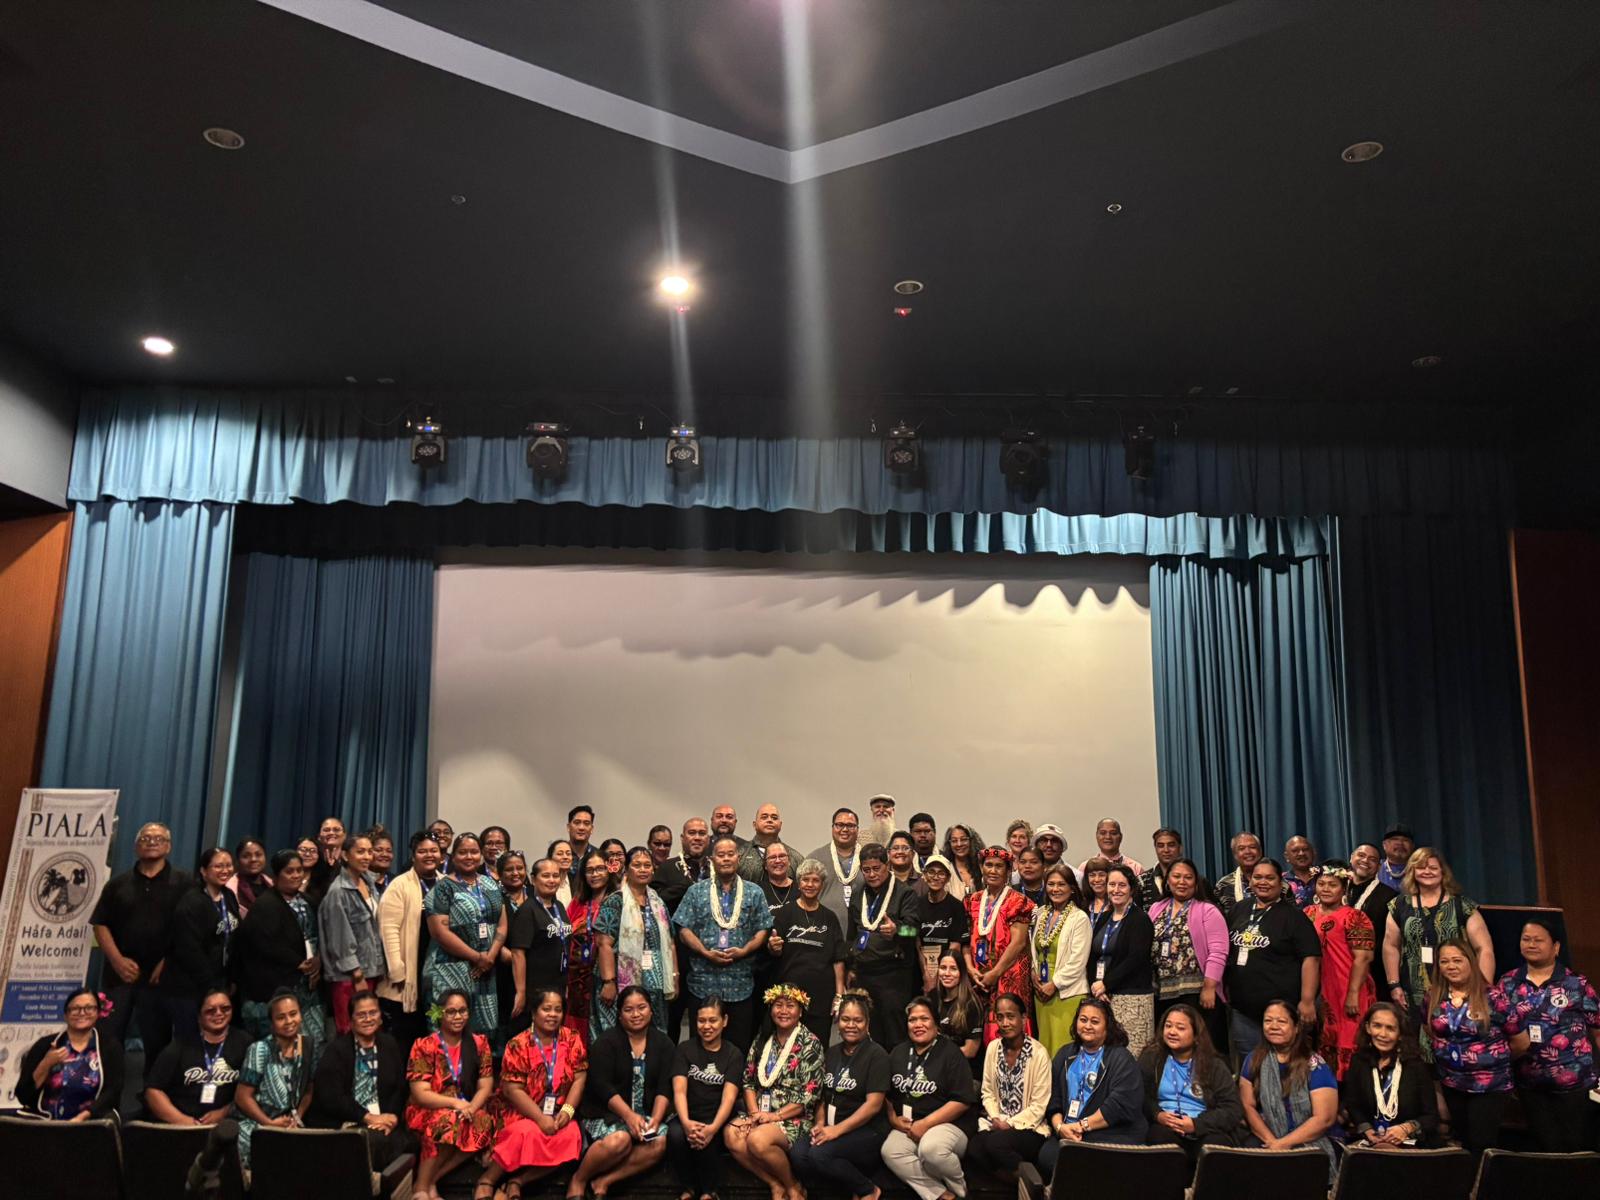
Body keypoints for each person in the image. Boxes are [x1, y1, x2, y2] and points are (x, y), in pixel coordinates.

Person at [90, 821, 190, 1072]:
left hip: (161, 978)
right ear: (136, 846)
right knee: (109, 1040)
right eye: (145, 838)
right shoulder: (117, 884)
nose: (151, 842)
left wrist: (168, 961)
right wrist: (117, 960)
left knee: (158, 1043)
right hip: (119, 976)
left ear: (168, 846)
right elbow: (100, 924)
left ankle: (151, 1103)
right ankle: (108, 1100)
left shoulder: (184, 883)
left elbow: (191, 928)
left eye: (158, 839)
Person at [1498, 917, 1600, 1152]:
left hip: (1575, 1084)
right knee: (1545, 1148)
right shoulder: (1508, 982)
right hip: (1530, 1085)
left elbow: (1597, 1028)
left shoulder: (1576, 983)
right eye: (1526, 939)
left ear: (1555, 947)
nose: (1531, 944)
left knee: (1577, 1147)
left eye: (1538, 940)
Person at [479, 988, 588, 1200]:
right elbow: (512, 1090)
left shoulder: (572, 1038)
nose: (553, 1014)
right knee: (525, 1132)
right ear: (533, 1013)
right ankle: (487, 1180)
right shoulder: (518, 1044)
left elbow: (580, 1078)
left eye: (558, 1010)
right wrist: (539, 1118)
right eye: (546, 1009)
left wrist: (567, 1111)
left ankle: (518, 1181)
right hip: (522, 1111)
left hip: (558, 1113)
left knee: (571, 1136)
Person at [567, 986, 673, 1200]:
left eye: (642, 1008)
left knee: (659, 1142)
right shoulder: (606, 1043)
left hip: (646, 1115)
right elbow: (602, 1087)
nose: (636, 1014)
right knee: (620, 1141)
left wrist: (656, 1120)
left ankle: (604, 1181)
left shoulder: (664, 1043)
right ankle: (579, 1179)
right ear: (620, 1014)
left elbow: (665, 1086)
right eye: (629, 1009)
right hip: (609, 1114)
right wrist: (629, 1116)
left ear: (651, 1011)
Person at [1382, 846, 1495, 1049]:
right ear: (1412, 872)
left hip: (1458, 991)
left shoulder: (1462, 905)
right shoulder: (1398, 905)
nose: (1427, 872)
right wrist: (1394, 985)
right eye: (1421, 867)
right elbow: (1390, 946)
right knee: (1416, 1052)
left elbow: (1484, 948)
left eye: (1433, 867)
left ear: (1443, 871)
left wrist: (1482, 987)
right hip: (1412, 994)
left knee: (1456, 1046)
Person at [724, 984, 825, 1200]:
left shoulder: (810, 1044)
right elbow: (749, 1082)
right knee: (731, 1135)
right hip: (761, 1113)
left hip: (795, 1117)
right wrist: (754, 1115)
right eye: (778, 1005)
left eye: (790, 1006)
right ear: (771, 1010)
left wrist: (773, 1117)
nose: (784, 1011)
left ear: (800, 1011)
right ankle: (775, 1184)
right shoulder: (763, 1040)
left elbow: (808, 1098)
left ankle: (793, 1186)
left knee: (757, 1141)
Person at [674, 834, 773, 1052]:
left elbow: (763, 929)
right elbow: (683, 929)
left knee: (739, 1047)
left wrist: (744, 951)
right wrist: (705, 952)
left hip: (740, 984)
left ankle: (735, 1087)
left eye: (730, 854)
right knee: (700, 1046)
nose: (726, 859)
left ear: (737, 858)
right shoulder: (696, 891)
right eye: (721, 855)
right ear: (712, 859)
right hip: (703, 983)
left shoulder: (754, 892)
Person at [789, 991, 889, 1200]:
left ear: (867, 1023)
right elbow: (822, 1097)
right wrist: (820, 1124)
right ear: (837, 1021)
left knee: (820, 1155)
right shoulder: (832, 1053)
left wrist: (836, 1131)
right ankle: (847, 1185)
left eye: (857, 1020)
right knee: (798, 1153)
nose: (851, 1025)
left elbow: (873, 1105)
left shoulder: (877, 1055)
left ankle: (867, 1189)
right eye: (845, 1019)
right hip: (833, 1128)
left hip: (866, 1131)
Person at [1428, 939, 1520, 1156]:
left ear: (1471, 961)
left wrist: (1492, 1060)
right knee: (1463, 1142)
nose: (1451, 966)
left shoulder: (1493, 997)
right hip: (1452, 1082)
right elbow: (1430, 1029)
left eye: (1457, 960)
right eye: (1445, 961)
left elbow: (1520, 1041)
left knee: (1482, 1144)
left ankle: (1486, 1189)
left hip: (1489, 1085)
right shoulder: (1434, 995)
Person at [1224, 859, 1321, 1063]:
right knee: (1251, 1067)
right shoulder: (1238, 910)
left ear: (1280, 882)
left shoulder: (1294, 917)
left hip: (1283, 1009)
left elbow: (1310, 959)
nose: (1263, 882)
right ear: (1250, 880)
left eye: (1270, 878)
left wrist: (1307, 1000)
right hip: (1244, 1011)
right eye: (1258, 877)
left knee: (1286, 1064)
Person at [881, 995, 978, 1200]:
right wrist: (893, 1119)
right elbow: (885, 1095)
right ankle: (940, 1194)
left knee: (931, 1149)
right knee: (891, 1151)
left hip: (950, 1124)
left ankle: (961, 1191)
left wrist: (926, 1124)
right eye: (912, 1020)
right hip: (910, 1124)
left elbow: (962, 1100)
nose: (918, 1024)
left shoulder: (951, 1053)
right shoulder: (898, 1053)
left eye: (924, 1019)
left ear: (935, 1022)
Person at [309, 991, 419, 1170]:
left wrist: (391, 1117)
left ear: (381, 1017)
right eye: (361, 1015)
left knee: (408, 1142)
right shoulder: (336, 1051)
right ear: (351, 1021)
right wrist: (367, 1117)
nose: (368, 1019)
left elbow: (400, 1087)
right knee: (370, 1142)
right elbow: (332, 1097)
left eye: (373, 1013)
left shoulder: (390, 1044)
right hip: (349, 1121)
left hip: (383, 1120)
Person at [404, 987, 497, 1200]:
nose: (458, 1017)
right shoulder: (425, 1046)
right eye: (451, 1011)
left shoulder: (478, 1043)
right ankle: (421, 1189)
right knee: (448, 1121)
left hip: (466, 1106)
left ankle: (428, 1180)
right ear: (439, 1013)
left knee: (483, 1123)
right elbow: (420, 1094)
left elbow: (486, 1085)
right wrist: (456, 1104)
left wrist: (471, 1107)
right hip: (428, 1108)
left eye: (463, 1011)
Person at [1039, 997, 1146, 1174]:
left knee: (1089, 1159)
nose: (1087, 1026)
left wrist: (1082, 1126)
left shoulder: (1121, 1057)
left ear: (1107, 1026)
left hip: (1111, 1132)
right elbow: (1054, 1098)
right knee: (1047, 1156)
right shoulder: (1065, 1053)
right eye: (1083, 1020)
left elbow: (1119, 1106)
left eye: (1095, 1021)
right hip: (1069, 1130)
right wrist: (1060, 1127)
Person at [234, 849, 326, 1045]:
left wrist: (318, 960)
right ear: (277, 875)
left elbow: (318, 935)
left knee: (313, 1044)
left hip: (310, 987)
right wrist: (296, 963)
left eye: (299, 870)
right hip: (277, 986)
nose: (296, 875)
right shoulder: (265, 905)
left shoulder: (308, 901)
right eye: (289, 871)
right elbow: (261, 944)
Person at [1237, 999, 1337, 1174]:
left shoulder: (1315, 1064)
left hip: (1310, 1137)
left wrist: (1283, 1144)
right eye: (1268, 1021)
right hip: (1267, 1134)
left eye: (1282, 1021)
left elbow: (1324, 1118)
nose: (1273, 1026)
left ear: (1296, 1027)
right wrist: (1272, 1142)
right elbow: (1248, 1106)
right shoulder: (1253, 1059)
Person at [423, 833, 508, 1037]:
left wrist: (490, 956)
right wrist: (476, 957)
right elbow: (439, 932)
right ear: (453, 857)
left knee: (483, 1032)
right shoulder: (443, 888)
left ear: (480, 855)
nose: (469, 856)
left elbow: (502, 924)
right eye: (462, 852)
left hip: (485, 969)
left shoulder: (491, 884)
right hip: (450, 968)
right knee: (449, 1027)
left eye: (473, 852)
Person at [1138, 1004, 1241, 1168]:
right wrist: (1157, 1115)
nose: (1172, 1032)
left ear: (1196, 1035)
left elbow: (1232, 1109)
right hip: (1165, 1127)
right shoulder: (1152, 1058)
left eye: (1180, 1028)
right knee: (1159, 1138)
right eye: (1168, 1026)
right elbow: (1140, 1097)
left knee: (1216, 1147)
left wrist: (1196, 1124)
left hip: (1203, 1128)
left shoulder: (1214, 1065)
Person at [593, 846, 679, 1037]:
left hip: (654, 982)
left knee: (654, 1036)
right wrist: (608, 982)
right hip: (619, 981)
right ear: (627, 869)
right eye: (637, 865)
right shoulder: (616, 901)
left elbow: (671, 942)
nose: (643, 869)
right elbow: (603, 943)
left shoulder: (658, 902)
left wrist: (674, 975)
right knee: (618, 1036)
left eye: (647, 865)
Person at [967, 993, 1051, 1181]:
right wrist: (996, 1118)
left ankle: (1033, 1185)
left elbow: (1039, 1106)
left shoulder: (1038, 1054)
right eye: (1000, 1017)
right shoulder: (993, 1048)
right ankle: (1018, 1181)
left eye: (1011, 1016)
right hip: (998, 1122)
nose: (1005, 1023)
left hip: (1029, 1127)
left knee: (996, 1144)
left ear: (1023, 1018)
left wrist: (1009, 1124)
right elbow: (987, 1092)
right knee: (974, 1148)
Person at [1148, 859, 1228, 1052]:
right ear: (1167, 881)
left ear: (1196, 882)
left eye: (1188, 877)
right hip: (1162, 994)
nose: (1182, 881)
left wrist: (1210, 987)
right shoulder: (1156, 908)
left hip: (1198, 994)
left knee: (1203, 1051)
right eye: (1176, 876)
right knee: (1169, 1050)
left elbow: (1219, 951)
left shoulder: (1207, 910)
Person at [846, 843, 921, 1048]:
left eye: (876, 868)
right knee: (868, 1031)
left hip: (893, 976)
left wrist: (897, 929)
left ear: (887, 865)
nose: (871, 874)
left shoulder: (905, 893)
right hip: (864, 973)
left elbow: (914, 931)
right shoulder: (858, 893)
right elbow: (852, 934)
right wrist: (851, 967)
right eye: (866, 870)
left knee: (894, 1034)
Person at [668, 997, 744, 1200]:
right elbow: (679, 1091)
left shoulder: (733, 1054)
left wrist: (713, 1128)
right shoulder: (684, 1049)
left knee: (707, 1139)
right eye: (702, 1021)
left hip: (718, 1117)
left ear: (724, 1021)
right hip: (688, 1115)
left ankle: (710, 1192)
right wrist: (685, 1122)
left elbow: (729, 1098)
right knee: (676, 1135)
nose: (707, 1026)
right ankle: (688, 1188)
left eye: (713, 1020)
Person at [1303, 864, 1375, 1077]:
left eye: (1332, 885)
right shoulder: (1308, 914)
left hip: (1349, 987)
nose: (1325, 889)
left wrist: (1353, 993)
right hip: (1321, 989)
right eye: (1321, 884)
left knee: (1350, 1039)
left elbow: (1363, 957)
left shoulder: (1355, 917)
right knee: (1324, 1039)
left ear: (1344, 889)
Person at [766, 857, 846, 1044]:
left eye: (815, 880)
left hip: (820, 998)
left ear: (822, 885)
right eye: (805, 879)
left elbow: (838, 958)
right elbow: (774, 950)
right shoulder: (784, 913)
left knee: (817, 1047)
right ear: (798, 883)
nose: (810, 884)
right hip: (788, 998)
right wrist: (773, 947)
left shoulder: (830, 917)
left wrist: (839, 994)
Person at [235, 989, 315, 1174]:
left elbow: (310, 1089)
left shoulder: (308, 1046)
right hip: (258, 1122)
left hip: (291, 1123)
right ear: (271, 1023)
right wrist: (268, 1123)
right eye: (281, 1017)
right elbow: (242, 1097)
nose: (289, 1021)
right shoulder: (259, 1049)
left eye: (293, 1014)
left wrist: (298, 1116)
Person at [1341, 1001, 1440, 1148]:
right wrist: (1366, 1129)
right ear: (1368, 1028)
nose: (1382, 1034)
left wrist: (1406, 1128)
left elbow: (1431, 1117)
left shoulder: (1415, 1065)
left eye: (1390, 1028)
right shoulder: (1359, 1061)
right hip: (1372, 1140)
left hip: (1410, 1142)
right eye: (1377, 1026)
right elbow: (1353, 1104)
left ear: (1400, 1034)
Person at [375, 831, 441, 1050]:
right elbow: (389, 930)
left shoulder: (446, 884)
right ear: (413, 856)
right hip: (406, 978)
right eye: (422, 851)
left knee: (430, 1036)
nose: (429, 855)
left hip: (435, 976)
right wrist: (397, 970)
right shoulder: (399, 885)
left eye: (434, 850)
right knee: (404, 1041)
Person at [143, 987, 248, 1124]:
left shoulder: (245, 1043)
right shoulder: (180, 1045)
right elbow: (153, 1091)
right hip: (183, 1125)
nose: (219, 1014)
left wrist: (225, 1112)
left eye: (225, 1009)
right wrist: (185, 1122)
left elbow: (253, 1092)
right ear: (199, 1016)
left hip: (229, 1124)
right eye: (211, 1011)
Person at [16, 987, 124, 1120]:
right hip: (46, 1121)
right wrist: (46, 1063)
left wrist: (81, 1118)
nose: (82, 1013)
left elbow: (113, 1092)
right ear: (65, 1015)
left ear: (97, 1013)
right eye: (75, 1009)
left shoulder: (110, 1046)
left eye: (89, 1008)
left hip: (91, 1122)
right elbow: (23, 1095)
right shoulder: (45, 1045)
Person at [168, 846, 241, 1034]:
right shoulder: (191, 902)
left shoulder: (229, 896)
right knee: (190, 1041)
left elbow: (234, 938)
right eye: (218, 866)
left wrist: (230, 978)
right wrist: (211, 986)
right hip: (192, 988)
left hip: (220, 984)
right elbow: (189, 950)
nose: (224, 870)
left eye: (228, 865)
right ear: (203, 871)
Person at [964, 846, 1034, 1041]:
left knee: (1008, 1027)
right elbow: (965, 939)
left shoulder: (1017, 901)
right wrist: (971, 969)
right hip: (979, 976)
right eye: (989, 865)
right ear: (981, 868)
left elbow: (1018, 942)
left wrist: (995, 973)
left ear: (1008, 870)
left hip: (1008, 974)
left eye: (999, 866)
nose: (993, 871)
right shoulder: (973, 900)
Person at [320, 831, 386, 1034]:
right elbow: (340, 940)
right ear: (345, 856)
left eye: (369, 851)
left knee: (370, 1030)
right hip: (349, 977)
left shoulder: (368, 882)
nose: (367, 857)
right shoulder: (339, 891)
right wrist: (357, 977)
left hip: (371, 970)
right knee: (351, 1030)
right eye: (360, 852)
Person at [1086, 864, 1155, 1057]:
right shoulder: (1105, 917)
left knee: (1132, 1057)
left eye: (1122, 885)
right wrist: (1095, 985)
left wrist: (1105, 984)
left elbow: (1136, 959)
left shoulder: (1140, 919)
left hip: (1133, 999)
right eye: (1112, 884)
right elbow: (1092, 955)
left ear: (1131, 888)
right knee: (1108, 1056)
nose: (1116, 890)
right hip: (1104, 997)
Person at [1031, 864, 1091, 1058]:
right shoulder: (1041, 915)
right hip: (1042, 994)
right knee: (1044, 1050)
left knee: (1064, 1052)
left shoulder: (1079, 918)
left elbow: (1077, 962)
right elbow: (1034, 951)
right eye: (1051, 884)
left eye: (1061, 884)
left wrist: (1054, 984)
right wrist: (1034, 974)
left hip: (1067, 993)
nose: (1055, 889)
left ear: (1072, 888)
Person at [507, 856, 572, 1038]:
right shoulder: (527, 910)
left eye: (555, 875)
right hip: (535, 988)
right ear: (534, 879)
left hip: (558, 984)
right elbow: (518, 953)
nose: (551, 880)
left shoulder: (558, 906)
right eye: (545, 876)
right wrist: (521, 991)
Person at [566, 849, 614, 1043]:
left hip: (606, 978)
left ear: (609, 870)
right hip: (577, 980)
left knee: (603, 1035)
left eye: (600, 869)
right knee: (577, 1036)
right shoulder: (578, 902)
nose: (595, 874)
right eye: (590, 870)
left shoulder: (617, 900)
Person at [913, 855, 969, 992]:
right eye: (931, 872)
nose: (936, 877)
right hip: (920, 971)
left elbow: (955, 946)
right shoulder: (916, 904)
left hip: (947, 972)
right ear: (925, 876)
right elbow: (916, 941)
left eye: (941, 873)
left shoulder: (956, 906)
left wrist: (940, 974)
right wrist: (927, 974)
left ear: (948, 878)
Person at [1347, 843, 1398, 994]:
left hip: (1373, 972)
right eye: (1361, 855)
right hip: (1337, 966)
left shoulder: (1389, 896)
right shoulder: (1336, 888)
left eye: (1372, 859)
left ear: (1379, 865)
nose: (1365, 861)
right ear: (1351, 858)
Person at [496, 850, 532, 1043]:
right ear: (500, 874)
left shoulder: (535, 895)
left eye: (520, 868)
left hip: (534, 972)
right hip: (504, 972)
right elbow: (492, 936)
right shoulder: (494, 898)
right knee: (508, 1025)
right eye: (509, 870)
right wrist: (517, 960)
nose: (515, 873)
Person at [808, 807, 864, 928]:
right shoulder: (814, 859)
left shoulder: (867, 859)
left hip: (861, 931)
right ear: (832, 827)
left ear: (857, 829)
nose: (845, 829)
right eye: (840, 825)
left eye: (850, 825)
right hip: (822, 928)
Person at [935, 950, 986, 1074]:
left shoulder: (972, 1004)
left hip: (966, 1072)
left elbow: (970, 1051)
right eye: (943, 968)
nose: (947, 973)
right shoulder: (933, 998)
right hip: (939, 1069)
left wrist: (937, 1056)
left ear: (961, 973)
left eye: (953, 969)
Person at [653, 817, 710, 917]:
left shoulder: (717, 869)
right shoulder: (667, 867)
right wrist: (683, 887)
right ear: (682, 838)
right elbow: (653, 903)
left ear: (708, 839)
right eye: (692, 833)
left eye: (702, 833)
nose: (697, 837)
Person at [1139, 828, 1207, 906]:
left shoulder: (1198, 881)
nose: (1166, 850)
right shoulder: (1142, 882)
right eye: (1161, 846)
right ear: (1156, 849)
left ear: (1180, 848)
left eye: (1171, 845)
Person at [736, 803, 800, 883]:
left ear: (780, 825)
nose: (769, 820)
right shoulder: (739, 855)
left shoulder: (796, 858)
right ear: (754, 825)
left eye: (774, 818)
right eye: (764, 817)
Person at [1075, 818, 1145, 885]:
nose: (1108, 837)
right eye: (1103, 833)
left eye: (1113, 833)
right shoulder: (1084, 867)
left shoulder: (1136, 868)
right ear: (1097, 836)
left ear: (1121, 837)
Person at [1211, 831, 1262, 921]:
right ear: (1235, 854)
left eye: (1252, 847)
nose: (1248, 852)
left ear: (1260, 851)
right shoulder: (1224, 885)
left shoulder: (1275, 882)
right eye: (1241, 848)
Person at [305, 815, 347, 906]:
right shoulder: (311, 861)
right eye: (326, 830)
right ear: (319, 836)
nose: (331, 833)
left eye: (336, 830)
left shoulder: (350, 863)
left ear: (344, 835)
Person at [229, 837, 272, 915]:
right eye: (246, 856)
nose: (253, 859)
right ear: (238, 861)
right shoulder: (230, 889)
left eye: (258, 855)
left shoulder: (273, 885)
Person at [942, 822, 983, 900]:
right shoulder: (945, 869)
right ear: (949, 844)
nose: (959, 844)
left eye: (963, 839)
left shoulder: (981, 868)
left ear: (971, 841)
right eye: (954, 841)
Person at [1282, 836, 1321, 908]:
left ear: (1314, 853)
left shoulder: (1326, 876)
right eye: (1295, 850)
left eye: (1305, 849)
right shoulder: (1280, 881)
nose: (1301, 853)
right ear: (1286, 856)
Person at [566, 805, 597, 884]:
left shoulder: (597, 855)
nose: (581, 827)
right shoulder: (559, 855)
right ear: (568, 827)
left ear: (592, 829)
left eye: (586, 823)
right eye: (577, 823)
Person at [1378, 823, 1414, 891]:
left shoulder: (1421, 869)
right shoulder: (1375, 869)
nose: (1400, 843)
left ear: (1412, 846)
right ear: (1384, 845)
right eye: (1394, 839)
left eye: (1405, 840)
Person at [1080, 858, 1112, 922]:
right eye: (1092, 875)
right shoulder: (1081, 903)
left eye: (1102, 875)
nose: (1097, 880)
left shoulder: (1117, 903)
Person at [368, 827, 396, 893]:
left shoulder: (396, 882)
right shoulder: (359, 881)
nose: (384, 854)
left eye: (389, 851)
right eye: (378, 850)